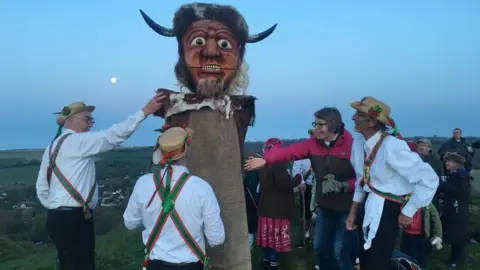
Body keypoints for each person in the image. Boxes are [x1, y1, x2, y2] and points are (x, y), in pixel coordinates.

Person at [140, 3, 277, 268]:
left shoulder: (238, 108)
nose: (211, 52)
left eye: (225, 45)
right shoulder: (174, 105)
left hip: (226, 209)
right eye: (199, 42)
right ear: (182, 52)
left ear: (239, 56)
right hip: (180, 228)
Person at [35, 96, 164, 270]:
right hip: (75, 218)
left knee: (67, 264)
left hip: (56, 218)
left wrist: (55, 206)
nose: (91, 124)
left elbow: (42, 187)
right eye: (87, 119)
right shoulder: (77, 141)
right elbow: (113, 136)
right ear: (70, 120)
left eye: (92, 120)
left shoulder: (51, 147)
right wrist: (144, 112)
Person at [246, 107, 356, 270]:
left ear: (333, 126)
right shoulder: (313, 144)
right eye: (315, 123)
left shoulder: (352, 146)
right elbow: (289, 152)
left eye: (320, 124)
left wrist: (345, 185)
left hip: (347, 209)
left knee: (340, 251)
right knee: (320, 248)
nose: (315, 128)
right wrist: (266, 160)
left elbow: (365, 178)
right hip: (325, 207)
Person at [345, 96, 439, 270]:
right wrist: (353, 212)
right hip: (368, 203)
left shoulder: (392, 146)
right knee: (364, 257)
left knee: (378, 259)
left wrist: (408, 211)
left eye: (358, 114)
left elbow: (429, 179)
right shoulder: (359, 143)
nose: (353, 118)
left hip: (388, 208)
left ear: (372, 121)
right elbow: (361, 181)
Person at [123, 126, 225, 270]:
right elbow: (216, 239)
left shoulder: (143, 183)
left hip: (155, 265)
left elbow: (130, 223)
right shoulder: (202, 188)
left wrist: (151, 224)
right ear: (186, 150)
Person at [255, 138, 299, 270]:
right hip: (277, 210)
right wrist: (297, 179)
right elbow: (284, 184)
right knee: (274, 241)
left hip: (266, 209)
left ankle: (266, 261)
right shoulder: (278, 165)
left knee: (268, 240)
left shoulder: (263, 164)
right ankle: (273, 266)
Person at [439, 152, 472, 267]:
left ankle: (456, 258)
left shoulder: (461, 176)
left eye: (449, 161)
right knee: (454, 233)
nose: (446, 163)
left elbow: (461, 192)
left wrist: (443, 185)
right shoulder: (454, 175)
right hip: (454, 208)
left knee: (457, 234)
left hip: (457, 209)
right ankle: (456, 257)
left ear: (456, 164)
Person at [399, 202, 443, 269]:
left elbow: (436, 219)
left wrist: (437, 235)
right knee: (406, 258)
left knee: (422, 257)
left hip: (422, 236)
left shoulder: (427, 205)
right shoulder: (403, 203)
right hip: (407, 236)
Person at [291, 158, 315, 247]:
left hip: (320, 185)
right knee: (306, 212)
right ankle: (305, 235)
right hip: (306, 186)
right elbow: (296, 170)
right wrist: (301, 182)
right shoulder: (301, 156)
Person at [243, 153, 261, 251]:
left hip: (257, 201)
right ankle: (250, 244)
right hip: (248, 202)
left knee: (256, 222)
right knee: (250, 223)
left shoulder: (259, 174)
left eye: (252, 159)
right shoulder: (246, 174)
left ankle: (258, 242)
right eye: (249, 159)